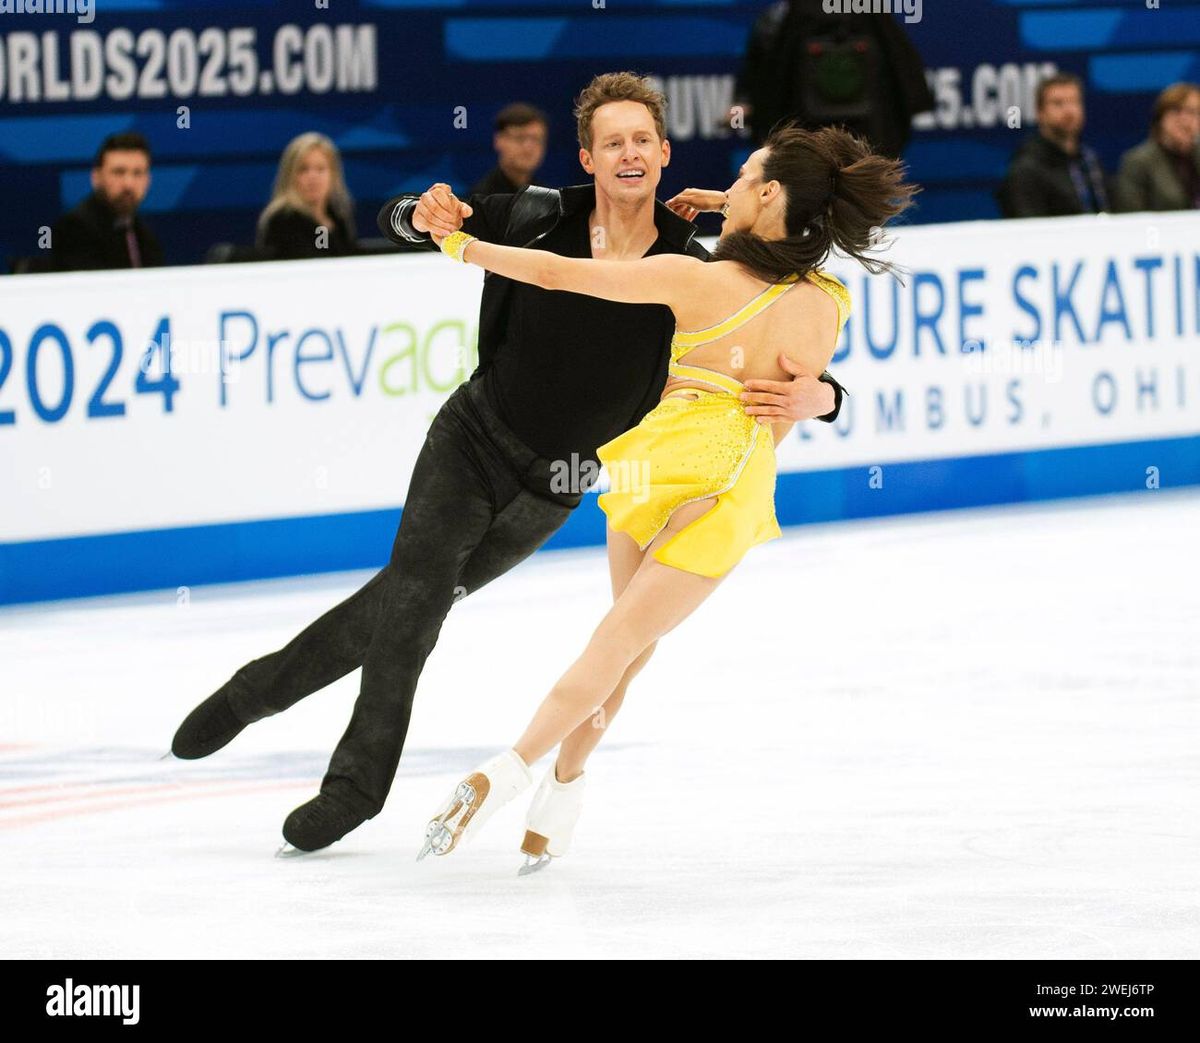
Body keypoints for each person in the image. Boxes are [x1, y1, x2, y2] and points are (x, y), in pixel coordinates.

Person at [170, 73, 849, 855]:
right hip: (472, 441)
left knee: (402, 603)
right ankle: (354, 788)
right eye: (610, 142)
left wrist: (826, 399)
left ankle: (259, 687)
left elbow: (779, 353)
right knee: (416, 608)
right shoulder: (539, 215)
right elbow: (417, 225)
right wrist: (419, 215)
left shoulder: (691, 266)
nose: (627, 153)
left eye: (641, 140)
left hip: (555, 488)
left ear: (663, 154)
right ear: (588, 158)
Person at [417, 122, 917, 870]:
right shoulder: (828, 305)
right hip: (726, 485)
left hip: (655, 468)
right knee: (621, 648)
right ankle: (513, 770)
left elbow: (556, 274)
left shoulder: (696, 278)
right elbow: (791, 266)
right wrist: (821, 399)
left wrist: (463, 248)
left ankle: (558, 781)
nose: (734, 183)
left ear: (771, 194)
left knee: (621, 644)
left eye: (747, 176)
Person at [731, 0, 933, 157]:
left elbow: (902, 70)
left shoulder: (872, 15)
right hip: (807, 137)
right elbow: (763, 69)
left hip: (864, 136)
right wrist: (746, 103)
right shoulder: (779, 20)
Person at [997, 72, 1110, 218]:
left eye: (1074, 102)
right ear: (1040, 112)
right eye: (1058, 103)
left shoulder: (1090, 160)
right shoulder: (1025, 170)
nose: (1069, 111)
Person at [52, 132, 163, 271]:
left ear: (148, 180)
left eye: (138, 173)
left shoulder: (145, 235)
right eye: (119, 172)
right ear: (96, 177)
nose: (128, 184)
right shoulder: (75, 230)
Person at [256, 132, 357, 259]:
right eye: (303, 169)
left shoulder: (338, 216)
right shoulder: (282, 220)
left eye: (320, 169)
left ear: (333, 174)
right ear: (289, 175)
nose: (313, 177)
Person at [1114, 82, 1200, 213]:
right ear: (1161, 118)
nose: (1186, 121)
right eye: (1177, 111)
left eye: (1193, 112)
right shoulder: (1138, 162)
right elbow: (1130, 216)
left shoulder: (1196, 156)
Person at [470, 103, 548, 196]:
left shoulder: (548, 198)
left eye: (536, 139)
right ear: (499, 140)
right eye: (520, 137)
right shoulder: (481, 200)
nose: (528, 147)